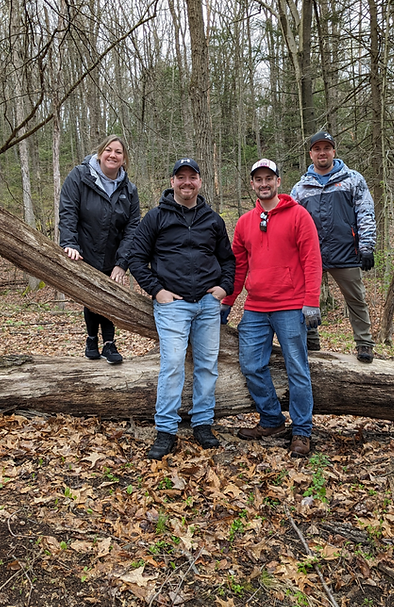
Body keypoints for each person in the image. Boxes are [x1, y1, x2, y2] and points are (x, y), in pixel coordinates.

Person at [128, 158, 235, 460]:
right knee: (173, 364)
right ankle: (166, 431)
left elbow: (228, 260)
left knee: (207, 365)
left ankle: (202, 424)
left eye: (192, 177)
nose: (187, 182)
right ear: (172, 181)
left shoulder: (213, 220)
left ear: (200, 181)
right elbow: (137, 257)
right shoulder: (156, 217)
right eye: (181, 177)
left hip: (207, 304)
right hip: (173, 305)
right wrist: (157, 290)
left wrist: (224, 288)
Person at [221, 159, 323, 459]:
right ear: (252, 184)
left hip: (291, 306)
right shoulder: (244, 222)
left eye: (269, 178)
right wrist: (228, 302)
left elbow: (312, 260)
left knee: (297, 368)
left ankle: (302, 430)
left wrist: (311, 301)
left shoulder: (299, 215)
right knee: (251, 365)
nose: (264, 183)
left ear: (278, 181)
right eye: (258, 179)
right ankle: (271, 420)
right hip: (256, 307)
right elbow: (239, 267)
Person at [290, 130, 377, 363]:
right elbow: (291, 223)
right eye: (317, 149)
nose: (322, 153)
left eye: (326, 148)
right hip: (311, 254)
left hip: (346, 250)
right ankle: (311, 338)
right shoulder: (301, 188)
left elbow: (365, 212)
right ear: (311, 154)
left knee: (356, 298)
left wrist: (366, 246)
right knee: (306, 296)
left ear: (333, 152)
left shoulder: (352, 179)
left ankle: (364, 343)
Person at [59, 134, 141, 364]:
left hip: (112, 254)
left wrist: (122, 263)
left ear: (124, 159)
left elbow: (133, 228)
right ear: (100, 152)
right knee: (91, 296)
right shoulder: (79, 176)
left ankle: (109, 343)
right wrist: (69, 243)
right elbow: (68, 211)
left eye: (118, 152)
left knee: (109, 294)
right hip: (84, 251)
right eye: (108, 150)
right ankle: (91, 339)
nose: (112, 155)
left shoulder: (129, 189)